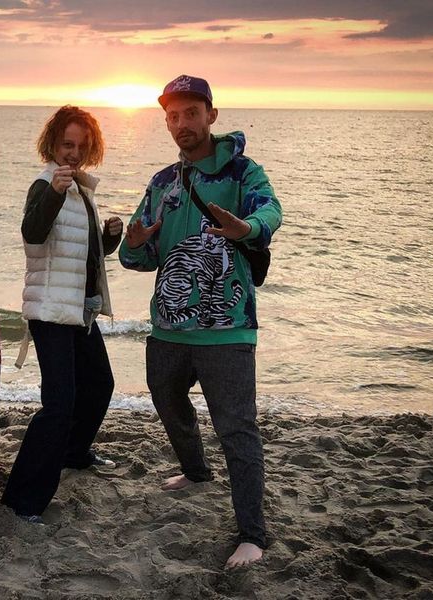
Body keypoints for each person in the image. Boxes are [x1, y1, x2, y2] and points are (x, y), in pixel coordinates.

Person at [119, 75, 282, 567]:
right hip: (168, 328)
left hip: (227, 330)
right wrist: (133, 243)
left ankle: (252, 535)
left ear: (211, 114)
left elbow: (271, 211)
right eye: (173, 116)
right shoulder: (163, 183)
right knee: (167, 403)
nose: (182, 123)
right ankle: (195, 471)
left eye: (191, 113)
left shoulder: (243, 173)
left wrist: (246, 227)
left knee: (237, 429)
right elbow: (138, 258)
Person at [1, 106, 123, 523]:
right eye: (67, 144)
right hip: (51, 310)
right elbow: (32, 235)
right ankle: (22, 500)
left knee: (100, 385)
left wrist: (109, 239)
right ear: (52, 144)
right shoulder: (45, 184)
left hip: (79, 310)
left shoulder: (82, 190)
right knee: (59, 404)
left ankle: (73, 453)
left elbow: (84, 255)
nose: (74, 153)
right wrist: (53, 192)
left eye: (82, 147)